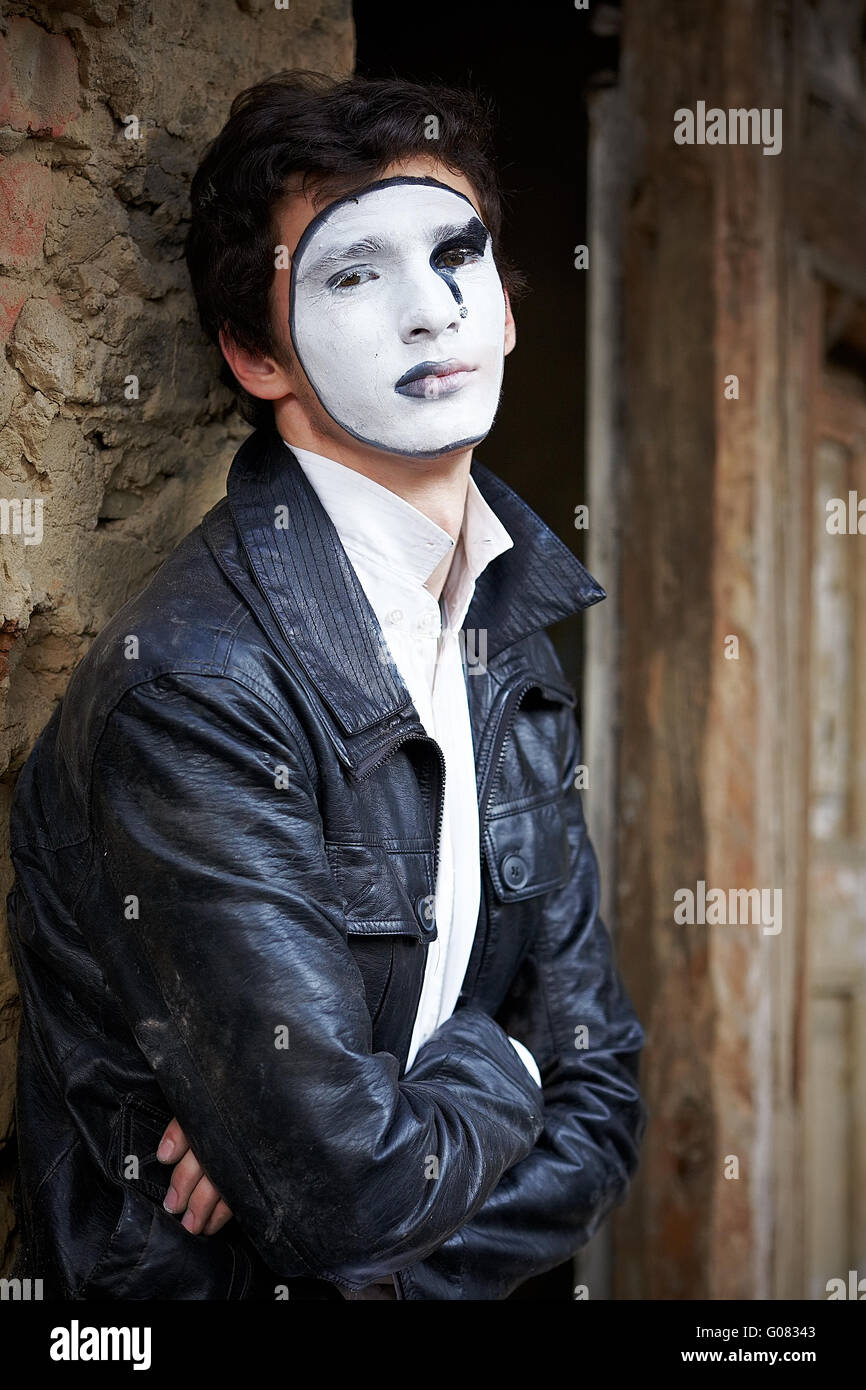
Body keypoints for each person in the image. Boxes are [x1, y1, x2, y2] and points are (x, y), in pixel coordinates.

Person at [6, 71, 647, 1301]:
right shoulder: (193, 689)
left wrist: (417, 1112)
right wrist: (508, 1063)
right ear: (256, 354)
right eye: (354, 275)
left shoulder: (509, 636)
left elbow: (605, 1099)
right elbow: (350, 1197)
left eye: (455, 255)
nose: (427, 313)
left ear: (507, 313)